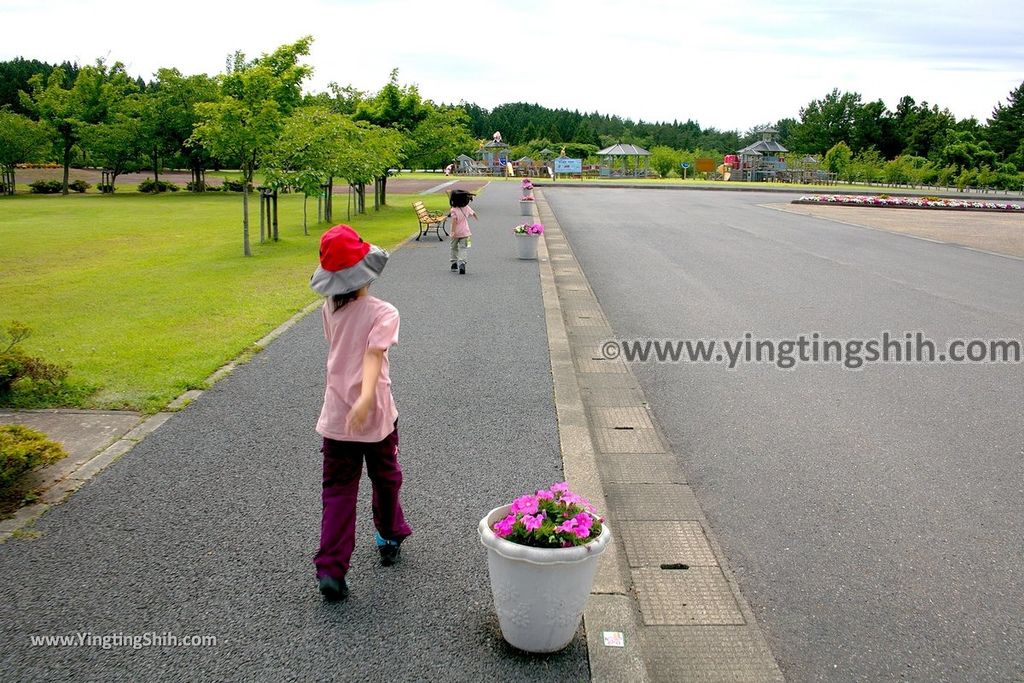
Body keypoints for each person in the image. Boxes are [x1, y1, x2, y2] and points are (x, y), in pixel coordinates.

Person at [309, 224, 412, 602]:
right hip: (376, 417)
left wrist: (353, 397)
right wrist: (367, 395)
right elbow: (373, 355)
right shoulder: (384, 312)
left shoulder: (328, 308)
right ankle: (388, 534)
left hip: (336, 416)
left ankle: (332, 569)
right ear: (365, 271)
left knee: (337, 491)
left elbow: (340, 350)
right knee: (386, 477)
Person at [447, 189, 477, 275]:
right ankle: (462, 263)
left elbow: (454, 222)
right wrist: (476, 217)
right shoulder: (466, 208)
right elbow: (473, 213)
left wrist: (452, 232)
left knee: (453, 247)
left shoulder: (453, 210)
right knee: (463, 248)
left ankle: (453, 263)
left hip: (456, 232)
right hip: (465, 231)